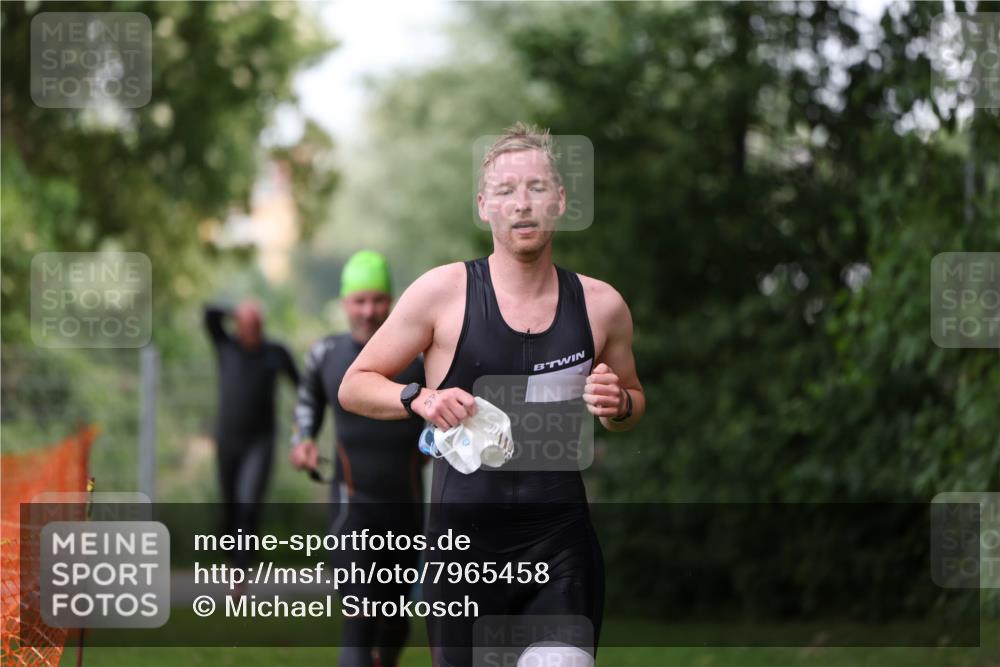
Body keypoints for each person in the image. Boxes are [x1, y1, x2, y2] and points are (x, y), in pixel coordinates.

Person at [338, 123, 645, 667]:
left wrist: (618, 404)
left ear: (561, 200)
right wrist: (418, 398)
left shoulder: (602, 306)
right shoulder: (442, 294)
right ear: (484, 206)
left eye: (536, 188)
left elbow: (632, 401)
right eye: (505, 191)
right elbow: (355, 385)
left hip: (559, 546)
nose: (521, 205)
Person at [290, 250, 427, 667]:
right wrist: (303, 439)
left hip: (406, 511)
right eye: (359, 300)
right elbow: (307, 401)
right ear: (345, 303)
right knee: (359, 614)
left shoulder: (419, 360)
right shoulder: (327, 354)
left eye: (378, 300)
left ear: (392, 301)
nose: (369, 311)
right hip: (353, 508)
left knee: (393, 622)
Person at [204, 299, 299, 569]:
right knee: (230, 505)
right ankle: (232, 555)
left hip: (261, 441)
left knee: (248, 502)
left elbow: (302, 387)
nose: (251, 331)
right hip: (227, 440)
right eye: (245, 325)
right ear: (237, 326)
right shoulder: (226, 346)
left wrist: (302, 416)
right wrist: (236, 310)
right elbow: (209, 314)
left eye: (256, 325)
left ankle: (240, 568)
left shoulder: (275, 353)